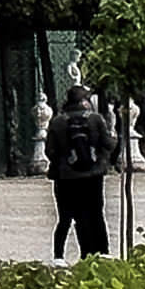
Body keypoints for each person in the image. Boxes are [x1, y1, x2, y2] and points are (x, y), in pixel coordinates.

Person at [49, 85, 113, 258]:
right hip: (93, 175)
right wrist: (102, 160)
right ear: (85, 101)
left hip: (66, 177)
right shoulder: (96, 119)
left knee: (73, 216)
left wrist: (63, 163)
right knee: (96, 213)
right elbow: (108, 144)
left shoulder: (57, 122)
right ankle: (102, 251)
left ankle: (74, 254)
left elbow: (50, 151)